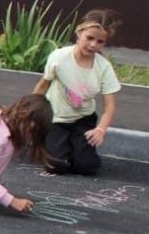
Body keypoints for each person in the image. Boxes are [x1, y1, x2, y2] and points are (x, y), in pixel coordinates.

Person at [33, 9, 122, 175]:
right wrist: (32, 114)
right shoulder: (59, 57)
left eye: (100, 41)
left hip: (83, 120)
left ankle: (74, 147)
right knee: (57, 166)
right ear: (79, 32)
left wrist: (100, 130)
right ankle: (46, 140)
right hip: (56, 118)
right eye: (89, 38)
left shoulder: (103, 67)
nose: (93, 44)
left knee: (87, 167)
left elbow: (110, 106)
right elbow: (42, 86)